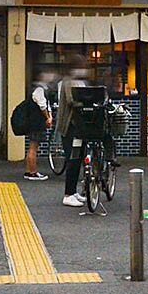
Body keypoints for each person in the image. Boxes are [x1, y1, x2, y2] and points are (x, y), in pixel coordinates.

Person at [58, 54, 89, 207]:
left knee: (78, 159)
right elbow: (72, 101)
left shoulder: (78, 81)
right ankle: (68, 194)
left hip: (78, 126)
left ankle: (73, 191)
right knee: (72, 159)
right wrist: (87, 101)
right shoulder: (68, 81)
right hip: (70, 126)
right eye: (82, 67)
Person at [22, 78, 53, 181]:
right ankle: (33, 172)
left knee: (32, 146)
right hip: (37, 122)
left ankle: (29, 170)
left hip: (33, 122)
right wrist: (48, 117)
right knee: (33, 147)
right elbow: (42, 105)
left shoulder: (35, 89)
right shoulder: (39, 90)